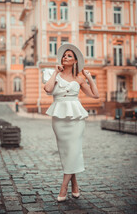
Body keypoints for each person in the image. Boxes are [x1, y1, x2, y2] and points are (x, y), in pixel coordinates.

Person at [43, 43, 99, 202]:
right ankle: (75, 184)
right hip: (59, 117)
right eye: (64, 55)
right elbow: (47, 89)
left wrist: (88, 77)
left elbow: (95, 95)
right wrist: (55, 72)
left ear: (75, 61)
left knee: (74, 149)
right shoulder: (52, 73)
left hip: (76, 118)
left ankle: (64, 186)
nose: (65, 57)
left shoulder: (79, 79)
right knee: (66, 151)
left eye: (69, 56)